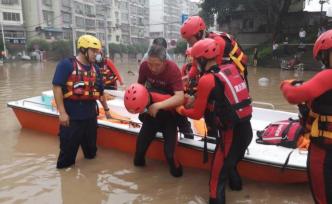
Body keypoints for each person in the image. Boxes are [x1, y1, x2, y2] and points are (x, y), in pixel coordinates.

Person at [178, 38, 253, 204]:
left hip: (230, 137)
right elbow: (221, 96)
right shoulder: (232, 69)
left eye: (195, 60)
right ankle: (238, 190)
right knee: (230, 166)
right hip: (246, 132)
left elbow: (197, 114)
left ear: (202, 59)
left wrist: (181, 110)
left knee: (215, 182)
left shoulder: (206, 79)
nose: (194, 64)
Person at [280, 29, 332, 204]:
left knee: (322, 197)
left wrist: (285, 84)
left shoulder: (328, 76)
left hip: (324, 152)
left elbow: (293, 96)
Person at [52, 34, 111, 169]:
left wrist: (107, 111)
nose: (97, 55)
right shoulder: (66, 64)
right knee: (67, 158)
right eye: (94, 51)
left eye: (98, 52)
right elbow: (57, 87)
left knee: (91, 154)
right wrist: (62, 113)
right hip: (72, 118)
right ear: (83, 50)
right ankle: (67, 185)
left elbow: (100, 92)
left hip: (90, 118)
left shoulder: (96, 69)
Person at [134, 44, 184, 177]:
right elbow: (139, 89)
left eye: (157, 65)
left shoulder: (173, 69)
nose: (153, 68)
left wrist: (159, 105)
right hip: (151, 114)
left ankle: (178, 181)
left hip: (169, 114)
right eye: (150, 64)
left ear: (164, 61)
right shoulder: (144, 66)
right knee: (138, 155)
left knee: (170, 156)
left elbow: (180, 97)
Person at [180, 15, 249, 88]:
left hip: (237, 72)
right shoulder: (202, 43)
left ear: (199, 34)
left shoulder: (217, 43)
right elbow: (195, 64)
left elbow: (213, 71)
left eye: (189, 39)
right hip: (224, 69)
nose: (189, 43)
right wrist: (189, 76)